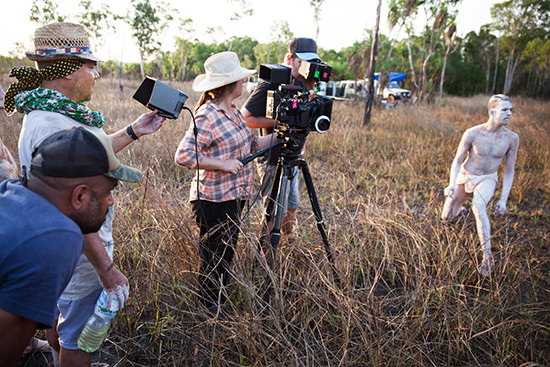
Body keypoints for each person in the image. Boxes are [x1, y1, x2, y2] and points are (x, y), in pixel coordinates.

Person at [5, 22, 165, 366]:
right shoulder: (51, 125)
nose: (96, 74)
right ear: (68, 72)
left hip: (67, 253)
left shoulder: (54, 114)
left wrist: (134, 131)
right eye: (90, 66)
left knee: (63, 322)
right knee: (80, 337)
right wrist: (105, 269)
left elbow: (90, 155)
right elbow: (74, 208)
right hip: (80, 257)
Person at [0, 126, 142, 367]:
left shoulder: (11, 191)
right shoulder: (56, 237)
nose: (111, 200)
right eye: (108, 192)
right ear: (79, 197)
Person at [175, 51, 278, 312]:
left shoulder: (232, 111)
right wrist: (222, 164)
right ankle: (209, 307)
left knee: (226, 252)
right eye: (240, 80)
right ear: (229, 85)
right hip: (213, 198)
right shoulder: (208, 114)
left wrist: (280, 136)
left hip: (235, 195)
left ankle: (218, 301)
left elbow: (252, 145)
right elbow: (183, 155)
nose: (244, 83)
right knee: (214, 255)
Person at [241, 37, 321, 236]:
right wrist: (282, 122)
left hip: (293, 157)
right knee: (274, 212)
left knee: (291, 206)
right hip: (272, 159)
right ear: (289, 58)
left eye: (310, 62)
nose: (305, 67)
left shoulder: (306, 83)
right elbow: (246, 118)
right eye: (300, 61)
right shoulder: (272, 81)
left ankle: (287, 244)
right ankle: (265, 258)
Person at [441, 94, 519, 276]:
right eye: (505, 110)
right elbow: (457, 161)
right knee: (446, 217)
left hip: (487, 178)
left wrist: (503, 200)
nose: (509, 114)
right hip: (465, 175)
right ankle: (459, 211)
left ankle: (487, 258)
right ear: (492, 111)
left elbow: (509, 170)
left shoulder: (512, 138)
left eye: (511, 110)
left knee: (479, 207)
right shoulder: (472, 133)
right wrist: (451, 184)